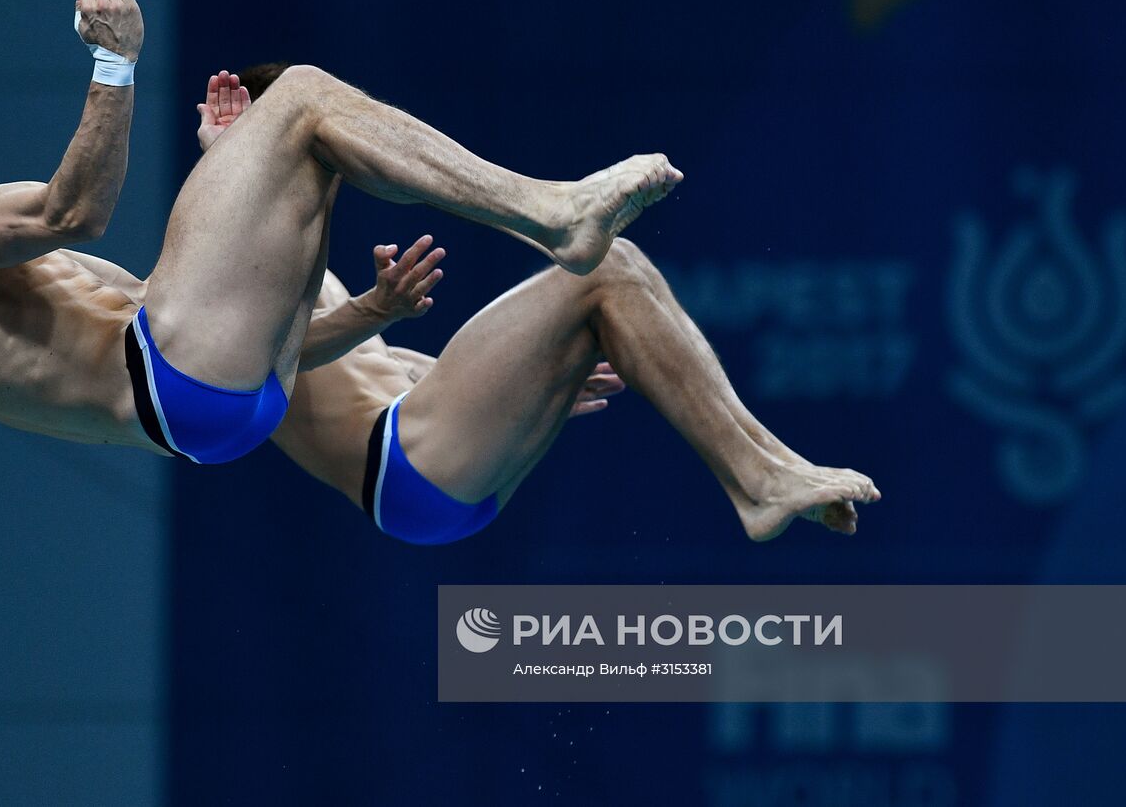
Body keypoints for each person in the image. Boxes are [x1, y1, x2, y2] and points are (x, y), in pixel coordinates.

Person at [0, 0, 680, 463]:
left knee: (309, 147)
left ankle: (549, 225)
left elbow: (219, 318)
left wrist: (371, 318)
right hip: (172, 379)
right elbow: (76, 212)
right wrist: (116, 63)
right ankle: (550, 211)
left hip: (210, 401)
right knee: (295, 99)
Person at [207, 64, 880, 542]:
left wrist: (527, 375)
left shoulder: (299, 246)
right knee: (604, 268)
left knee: (614, 278)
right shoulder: (236, 255)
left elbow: (363, 365)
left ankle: (772, 468)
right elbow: (271, 361)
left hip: (423, 461)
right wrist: (228, 158)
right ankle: (759, 480)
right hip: (403, 461)